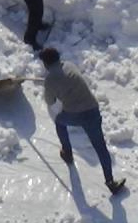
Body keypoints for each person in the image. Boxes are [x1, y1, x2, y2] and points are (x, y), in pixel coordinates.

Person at [40, 48, 125, 195]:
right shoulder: (69, 65)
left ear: (46, 64)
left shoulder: (50, 80)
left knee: (60, 122)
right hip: (92, 110)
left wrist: (50, 88)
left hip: (74, 114)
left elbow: (50, 101)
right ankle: (110, 182)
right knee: (100, 147)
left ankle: (67, 152)